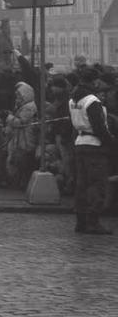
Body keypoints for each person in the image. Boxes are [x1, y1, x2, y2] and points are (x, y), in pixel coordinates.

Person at [68, 69, 114, 234]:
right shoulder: (92, 100)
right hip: (94, 145)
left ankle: (81, 221)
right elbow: (99, 127)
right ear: (93, 81)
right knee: (97, 184)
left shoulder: (73, 99)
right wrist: (111, 143)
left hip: (80, 142)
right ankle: (93, 222)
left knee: (82, 185)